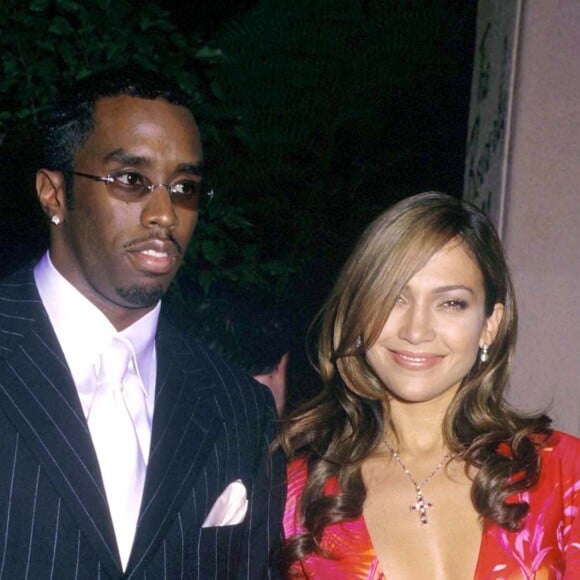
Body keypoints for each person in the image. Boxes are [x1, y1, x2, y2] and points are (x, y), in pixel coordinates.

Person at [0, 68, 284, 579]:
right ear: (54, 194)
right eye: (131, 181)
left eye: (185, 187)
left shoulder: (240, 408)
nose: (165, 214)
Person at [279, 192, 580, 578]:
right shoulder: (294, 495)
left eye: (450, 303)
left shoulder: (562, 473)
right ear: (357, 314)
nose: (416, 330)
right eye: (393, 298)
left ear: (490, 325)